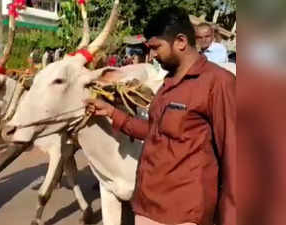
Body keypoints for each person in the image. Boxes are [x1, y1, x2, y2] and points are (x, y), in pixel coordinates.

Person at [85, 6, 235, 225]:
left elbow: (234, 157)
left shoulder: (217, 83)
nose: (152, 55)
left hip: (184, 212)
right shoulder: (167, 84)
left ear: (181, 42)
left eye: (156, 47)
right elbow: (155, 130)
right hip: (148, 205)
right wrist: (112, 113)